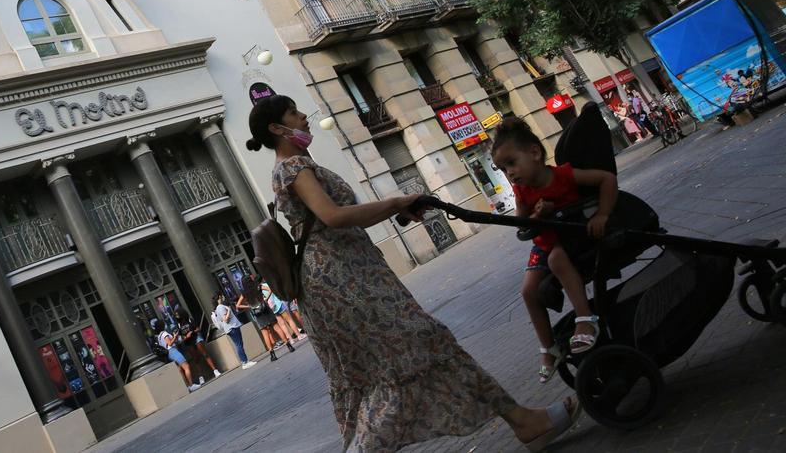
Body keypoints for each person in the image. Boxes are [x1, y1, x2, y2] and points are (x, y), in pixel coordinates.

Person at [248, 95, 581, 452]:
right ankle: (524, 422)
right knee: (404, 360)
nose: (303, 118)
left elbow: (339, 220)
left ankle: (524, 421)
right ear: (276, 128)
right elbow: (333, 217)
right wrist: (395, 202)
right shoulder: (294, 166)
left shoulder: (294, 166)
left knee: (418, 351)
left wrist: (399, 207)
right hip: (343, 282)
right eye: (294, 114)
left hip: (351, 276)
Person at [489, 117, 618, 384]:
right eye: (503, 169)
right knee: (528, 292)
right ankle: (549, 348)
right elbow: (522, 225)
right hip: (545, 243)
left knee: (558, 259)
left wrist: (603, 214)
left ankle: (586, 319)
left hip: (572, 239)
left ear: (534, 152)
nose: (509, 173)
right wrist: (536, 216)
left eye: (511, 163)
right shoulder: (522, 191)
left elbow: (606, 179)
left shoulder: (564, 175)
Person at [236, 275, 294, 361]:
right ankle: (288, 345)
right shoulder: (257, 286)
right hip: (265, 308)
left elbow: (238, 305)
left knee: (265, 334)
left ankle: (272, 354)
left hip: (258, 314)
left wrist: (249, 306)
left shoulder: (244, 293)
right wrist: (266, 299)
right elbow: (270, 289)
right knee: (277, 328)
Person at [151, 318, 199, 392]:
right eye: (164, 323)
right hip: (173, 351)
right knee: (186, 366)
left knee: (180, 369)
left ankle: (187, 387)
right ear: (162, 325)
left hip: (169, 354)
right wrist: (175, 337)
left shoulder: (159, 336)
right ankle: (191, 385)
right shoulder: (164, 334)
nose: (165, 324)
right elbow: (169, 343)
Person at [174, 307, 221, 382]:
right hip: (188, 342)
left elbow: (198, 328)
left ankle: (215, 370)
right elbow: (179, 337)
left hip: (196, 337)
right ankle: (201, 377)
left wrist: (192, 332)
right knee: (196, 359)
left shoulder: (189, 320)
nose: (177, 316)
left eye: (177, 314)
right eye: (175, 315)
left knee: (205, 354)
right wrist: (185, 337)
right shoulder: (179, 325)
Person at [212, 293, 256, 369]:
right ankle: (245, 362)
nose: (223, 297)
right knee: (239, 345)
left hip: (231, 328)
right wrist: (229, 310)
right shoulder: (220, 307)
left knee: (239, 344)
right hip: (232, 327)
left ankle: (244, 362)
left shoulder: (218, 308)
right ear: (219, 297)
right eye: (222, 296)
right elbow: (226, 319)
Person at [259, 277, 305, 341]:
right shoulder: (265, 285)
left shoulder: (256, 290)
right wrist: (267, 298)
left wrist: (266, 300)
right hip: (278, 304)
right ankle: (299, 335)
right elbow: (271, 290)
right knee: (289, 320)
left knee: (282, 324)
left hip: (271, 307)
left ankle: (291, 340)